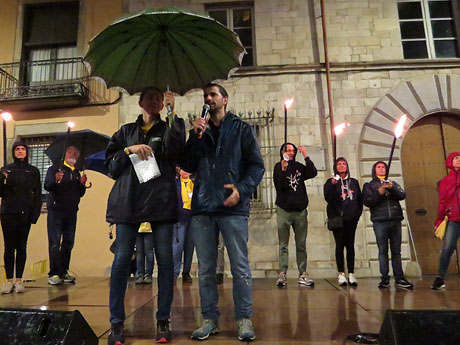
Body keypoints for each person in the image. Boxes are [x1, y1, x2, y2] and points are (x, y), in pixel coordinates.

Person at [181, 83, 264, 342]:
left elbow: (256, 166)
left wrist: (242, 189)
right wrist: (194, 137)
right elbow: (186, 165)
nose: (208, 99)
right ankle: (209, 320)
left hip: (233, 208)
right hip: (203, 206)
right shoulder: (199, 131)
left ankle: (243, 318)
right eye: (206, 96)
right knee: (205, 268)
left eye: (213, 95)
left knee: (239, 266)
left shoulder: (241, 129)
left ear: (225, 100)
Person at [105, 87, 185, 345]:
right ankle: (116, 323)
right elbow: (111, 166)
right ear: (140, 102)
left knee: (165, 262)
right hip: (128, 201)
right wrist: (129, 150)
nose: (155, 101)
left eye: (160, 99)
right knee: (120, 263)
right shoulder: (125, 132)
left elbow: (176, 152)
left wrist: (173, 115)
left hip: (160, 201)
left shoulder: (171, 126)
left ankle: (163, 320)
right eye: (150, 97)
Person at [362, 161, 413, 289]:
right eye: (378, 167)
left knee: (396, 251)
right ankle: (384, 278)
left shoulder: (393, 183)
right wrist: (379, 192)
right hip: (380, 221)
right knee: (383, 250)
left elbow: (402, 195)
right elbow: (368, 201)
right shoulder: (369, 185)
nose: (381, 169)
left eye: (383, 167)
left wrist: (392, 188)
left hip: (395, 220)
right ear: (374, 170)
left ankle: (399, 277)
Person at [273, 143, 317, 287]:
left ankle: (303, 273)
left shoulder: (299, 166)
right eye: (288, 150)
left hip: (300, 210)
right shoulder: (278, 167)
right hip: (284, 210)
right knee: (283, 244)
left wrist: (306, 155)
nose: (291, 153)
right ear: (282, 152)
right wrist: (283, 169)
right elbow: (279, 186)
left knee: (301, 243)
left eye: (293, 150)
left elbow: (313, 172)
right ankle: (282, 273)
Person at [0, 141, 42, 294]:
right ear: (13, 152)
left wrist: (34, 214)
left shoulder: (33, 171)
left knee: (22, 246)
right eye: (17, 149)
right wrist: (1, 178)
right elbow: (1, 192)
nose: (20, 151)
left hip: (25, 212)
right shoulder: (6, 170)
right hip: (8, 212)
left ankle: (19, 280)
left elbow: (37, 194)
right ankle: (9, 280)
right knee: (9, 247)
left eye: (22, 149)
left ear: (27, 151)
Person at [44, 145, 86, 286]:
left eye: (75, 152)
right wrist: (56, 179)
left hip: (71, 211)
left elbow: (80, 193)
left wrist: (82, 185)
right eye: (70, 152)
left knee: (68, 242)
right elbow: (48, 186)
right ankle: (54, 273)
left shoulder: (76, 173)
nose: (73, 154)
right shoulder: (55, 169)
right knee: (55, 243)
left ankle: (63, 271)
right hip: (56, 210)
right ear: (65, 154)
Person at [323, 157, 363, 287]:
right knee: (339, 245)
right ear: (335, 167)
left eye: (344, 164)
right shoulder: (330, 182)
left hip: (351, 219)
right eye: (339, 164)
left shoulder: (353, 182)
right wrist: (333, 186)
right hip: (338, 219)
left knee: (350, 245)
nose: (342, 166)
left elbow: (359, 200)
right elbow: (328, 198)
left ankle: (351, 273)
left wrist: (357, 215)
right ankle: (341, 273)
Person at [432, 152, 460, 290]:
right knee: (448, 248)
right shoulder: (445, 181)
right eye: (456, 158)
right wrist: (439, 219)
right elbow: (442, 202)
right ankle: (440, 278)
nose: (458, 160)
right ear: (450, 161)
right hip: (454, 219)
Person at [172, 168, 194, 283]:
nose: (185, 172)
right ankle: (174, 273)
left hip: (192, 219)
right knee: (177, 247)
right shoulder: (175, 184)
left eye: (187, 170)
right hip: (179, 219)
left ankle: (186, 272)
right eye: (182, 169)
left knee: (189, 247)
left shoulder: (194, 184)